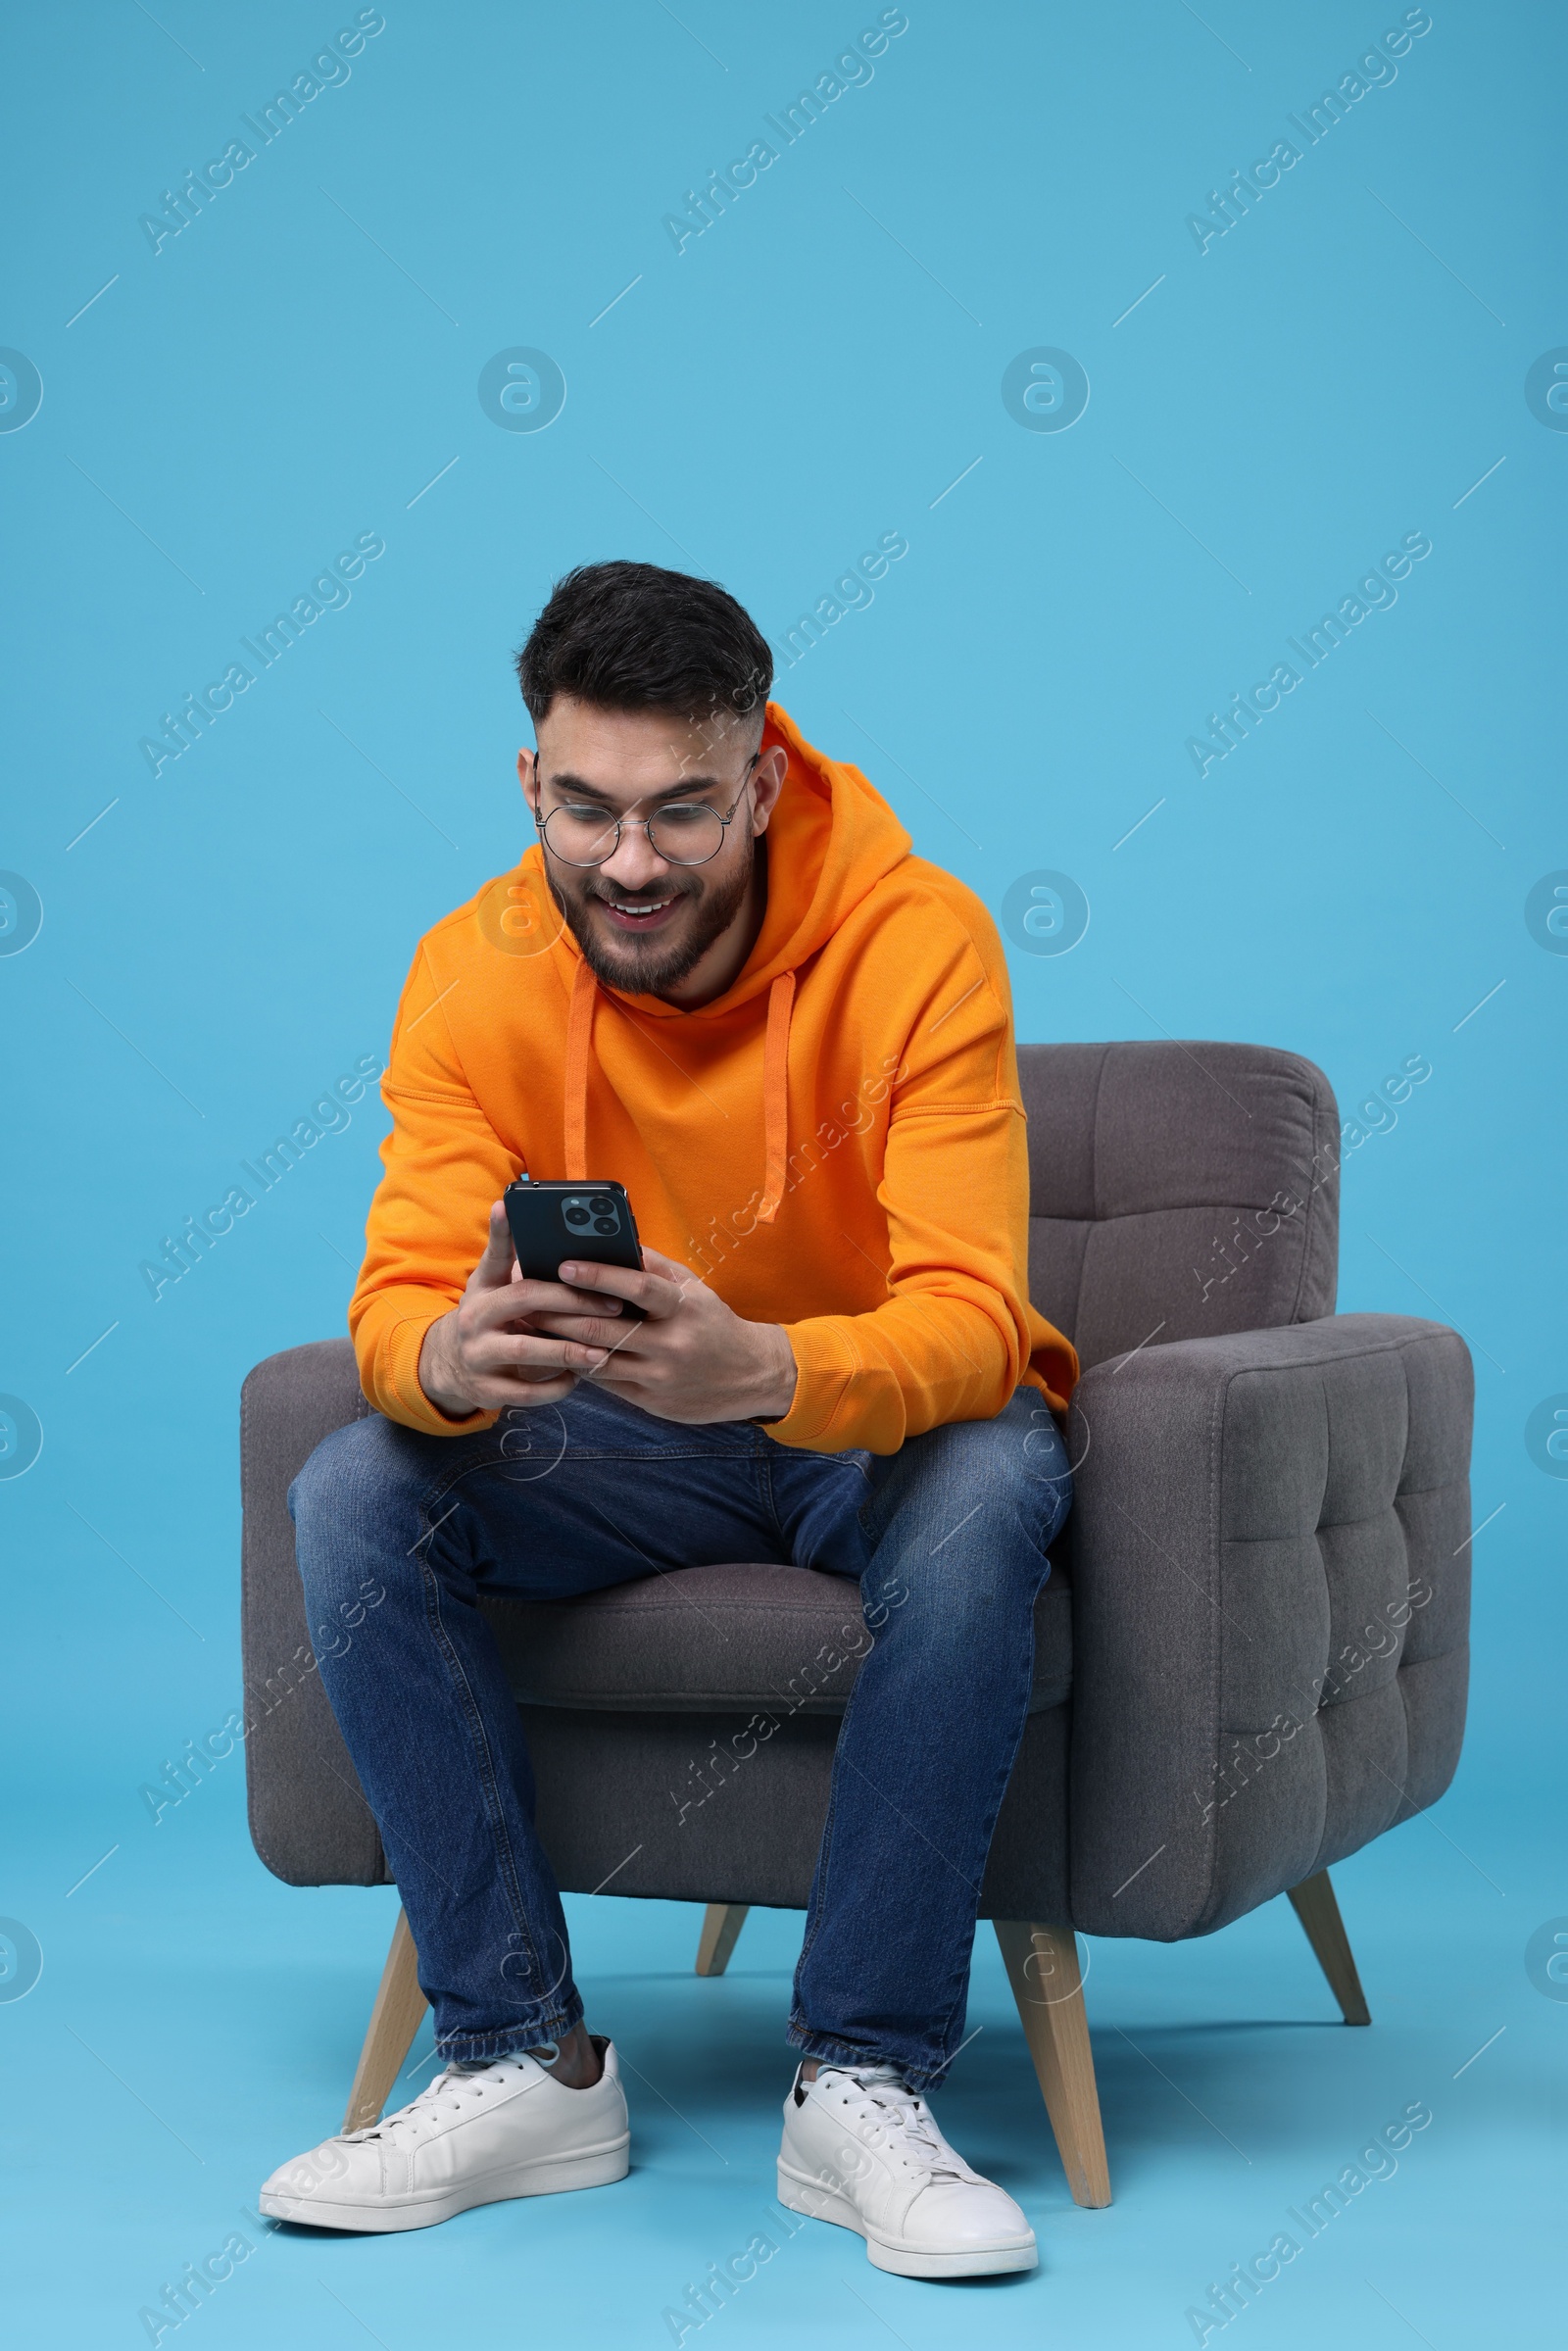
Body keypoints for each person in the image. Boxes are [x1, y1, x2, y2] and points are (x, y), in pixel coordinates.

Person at [260, 561, 1077, 2278]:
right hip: (622, 1442)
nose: (630, 863)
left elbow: (977, 1324)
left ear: (764, 775)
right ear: (530, 784)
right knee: (354, 1483)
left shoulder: (918, 940)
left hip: (867, 1437)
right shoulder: (471, 970)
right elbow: (395, 1308)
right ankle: (522, 2058)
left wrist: (772, 1369)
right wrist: (456, 1362)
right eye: (587, 808)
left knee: (999, 1468)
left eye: (683, 810)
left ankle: (862, 2076)